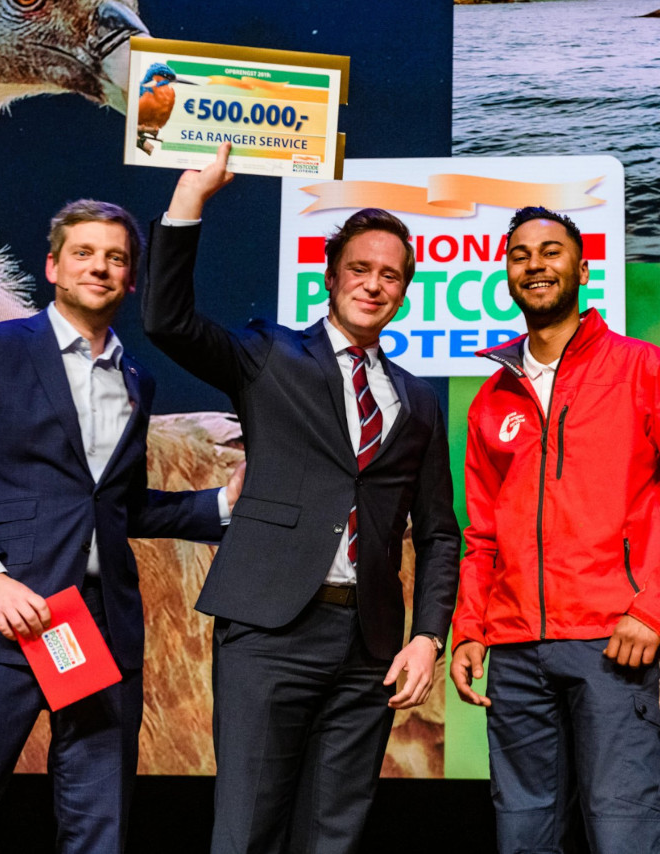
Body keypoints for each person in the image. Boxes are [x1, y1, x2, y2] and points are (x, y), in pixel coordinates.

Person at [143, 143, 460, 854]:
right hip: (269, 632)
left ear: (405, 291)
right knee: (248, 830)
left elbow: (440, 533)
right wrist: (191, 200)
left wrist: (426, 636)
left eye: (390, 276)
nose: (374, 286)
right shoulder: (268, 356)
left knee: (332, 836)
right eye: (360, 270)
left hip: (369, 646)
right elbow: (168, 321)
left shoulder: (418, 400)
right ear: (330, 275)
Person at [0, 200, 236, 854]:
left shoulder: (136, 381)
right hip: (1, 624)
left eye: (116, 258)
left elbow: (122, 507)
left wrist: (222, 506)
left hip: (99, 630)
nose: (100, 268)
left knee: (98, 825)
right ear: (53, 265)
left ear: (131, 278)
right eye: (84, 253)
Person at [450, 206, 660, 853]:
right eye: (520, 254)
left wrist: (654, 612)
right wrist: (471, 627)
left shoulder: (648, 371)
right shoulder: (492, 397)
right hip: (518, 650)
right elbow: (483, 534)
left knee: (623, 831)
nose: (535, 265)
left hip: (614, 644)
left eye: (551, 251)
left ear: (582, 268)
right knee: (523, 833)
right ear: (506, 272)